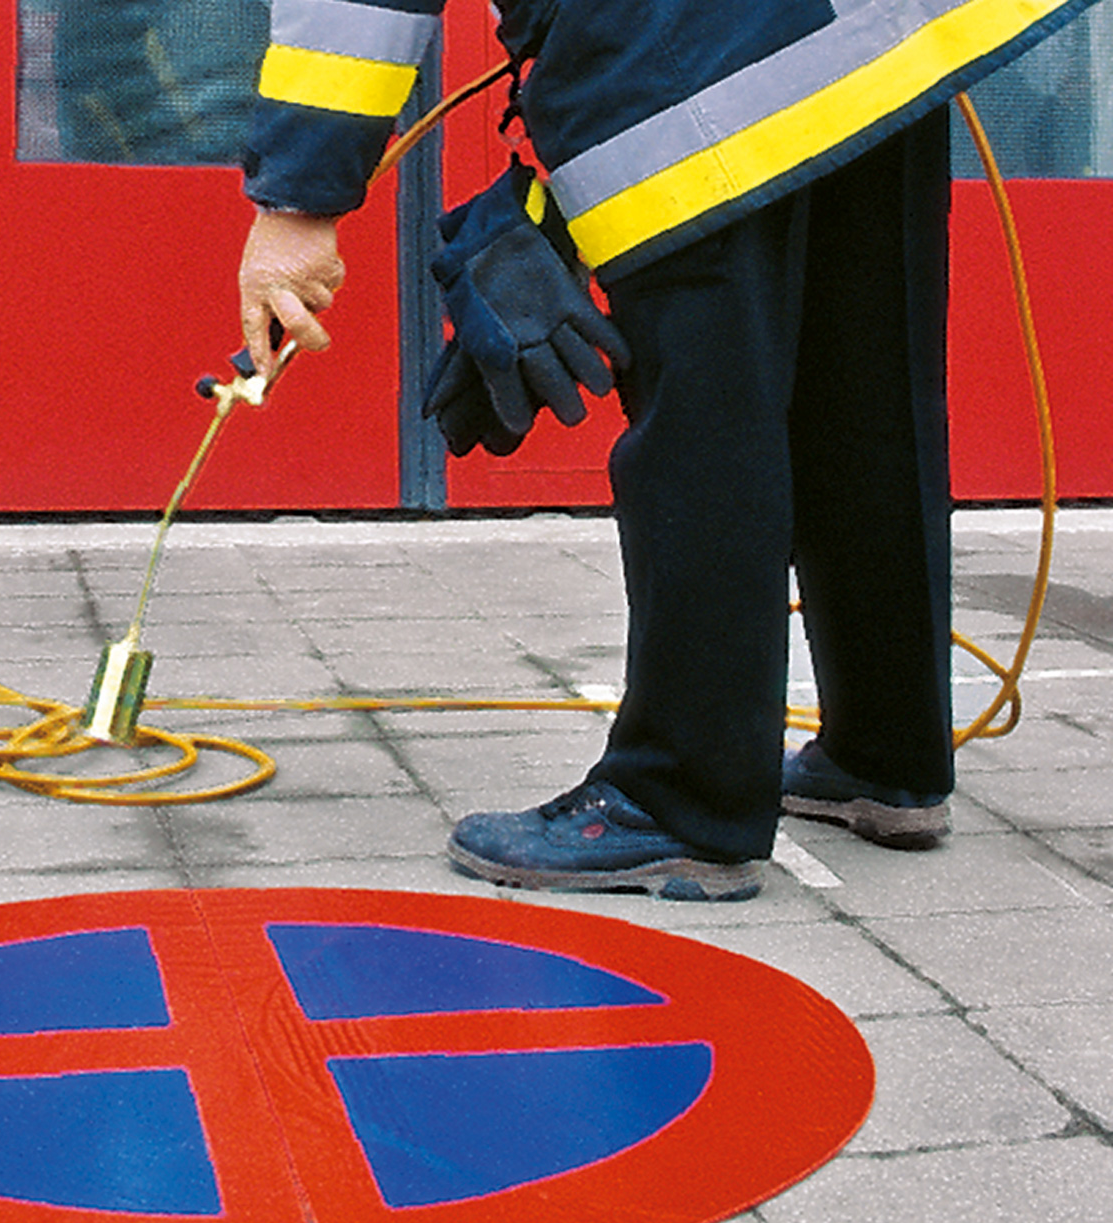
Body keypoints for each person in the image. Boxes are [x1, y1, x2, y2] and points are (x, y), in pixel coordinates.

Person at [235, 0, 1098, 900]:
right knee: (866, 391)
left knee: (705, 416)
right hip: (873, 31)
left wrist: (298, 200)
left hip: (685, 42)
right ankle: (887, 755)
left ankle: (683, 801)